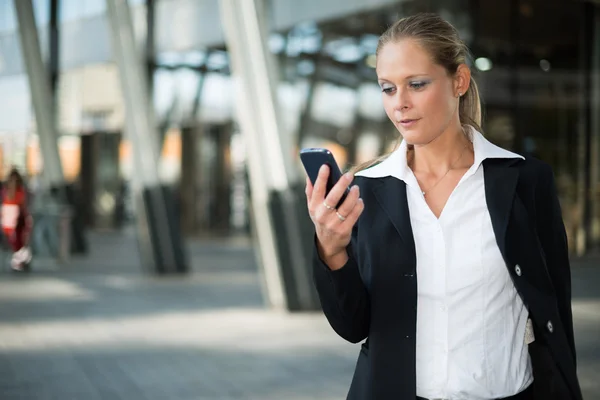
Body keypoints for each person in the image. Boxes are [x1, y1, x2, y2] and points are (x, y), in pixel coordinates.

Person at [305, 13, 582, 400]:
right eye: (387, 88)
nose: (400, 103)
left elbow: (555, 315)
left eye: (416, 84)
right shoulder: (366, 192)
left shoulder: (525, 182)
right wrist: (331, 250)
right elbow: (353, 326)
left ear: (459, 81)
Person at [1, 168, 33, 271]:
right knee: (13, 240)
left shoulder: (21, 191)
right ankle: (19, 260)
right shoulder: (6, 191)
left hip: (20, 218)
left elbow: (23, 204)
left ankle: (21, 261)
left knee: (21, 240)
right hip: (10, 218)